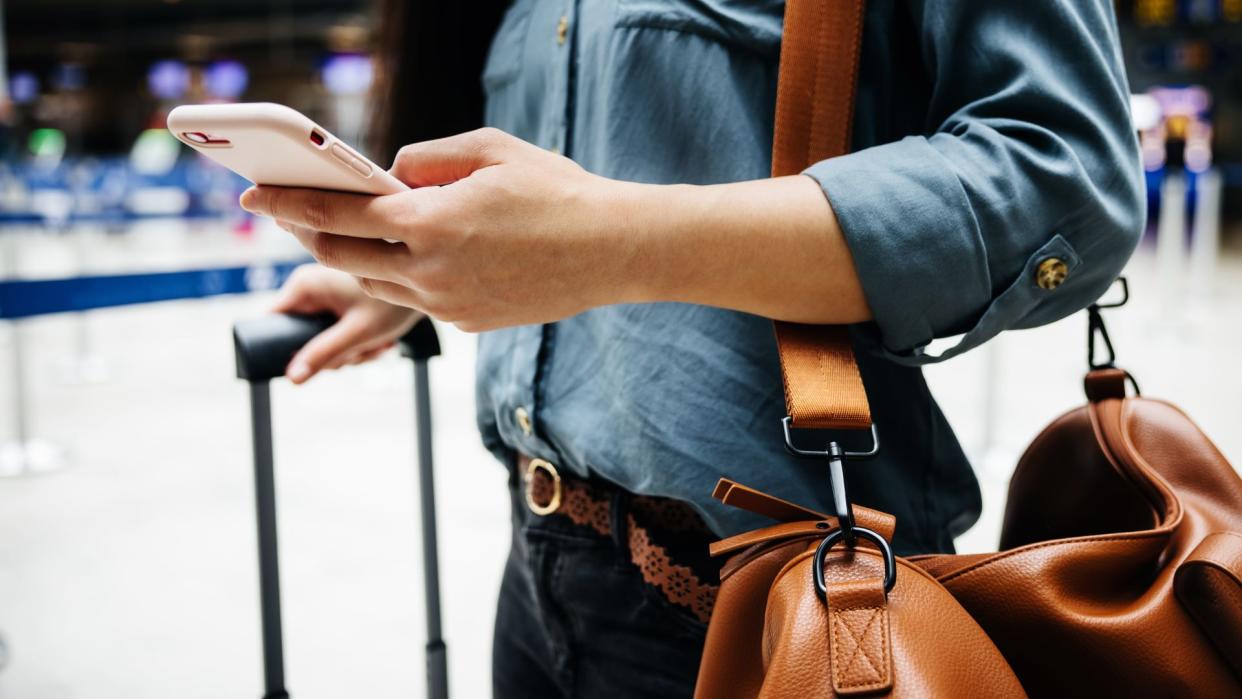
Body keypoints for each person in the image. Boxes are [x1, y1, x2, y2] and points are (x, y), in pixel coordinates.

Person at [243, 1, 1143, 696]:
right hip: (539, 561)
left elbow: (1063, 178)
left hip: (772, 601)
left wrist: (613, 240)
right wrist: (413, 280)